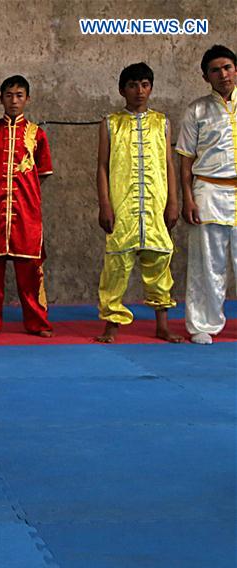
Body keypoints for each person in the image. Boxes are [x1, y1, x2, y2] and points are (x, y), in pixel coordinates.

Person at [95, 63, 181, 343]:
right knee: (116, 264)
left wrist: (173, 202)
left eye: (145, 84)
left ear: (151, 88)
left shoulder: (163, 122)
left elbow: (169, 164)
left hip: (155, 204)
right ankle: (111, 324)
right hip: (123, 206)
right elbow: (102, 167)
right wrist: (105, 204)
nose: (139, 91)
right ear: (122, 89)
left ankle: (162, 324)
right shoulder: (110, 124)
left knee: (159, 261)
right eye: (133, 85)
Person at [0, 75, 54, 338]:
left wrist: (24, 194)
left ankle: (37, 322)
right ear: (1, 99)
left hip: (26, 214)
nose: (14, 100)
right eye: (9, 95)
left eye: (19, 95)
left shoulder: (37, 134)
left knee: (30, 272)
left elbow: (42, 173)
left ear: (27, 99)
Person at [176, 44, 237, 345]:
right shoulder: (196, 110)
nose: (223, 74)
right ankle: (203, 323)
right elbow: (185, 159)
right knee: (207, 263)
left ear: (236, 70)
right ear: (205, 76)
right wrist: (187, 197)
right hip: (208, 190)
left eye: (227, 67)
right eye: (215, 70)